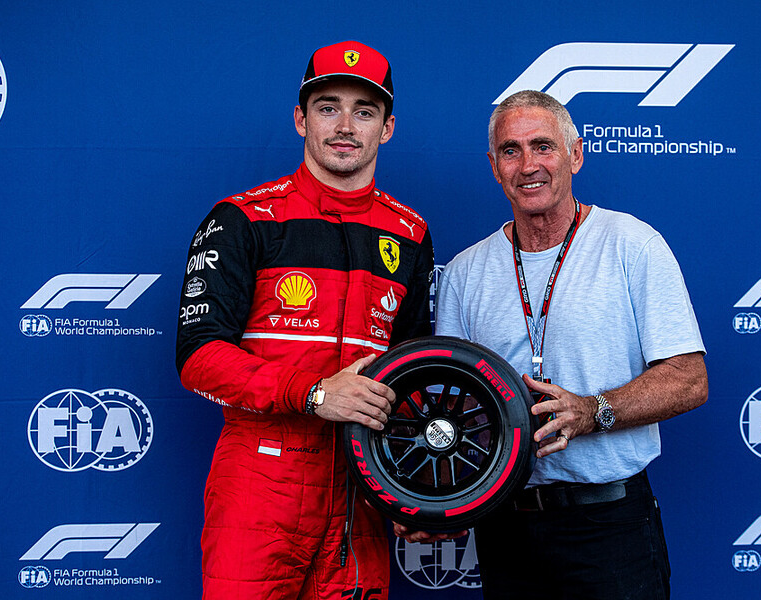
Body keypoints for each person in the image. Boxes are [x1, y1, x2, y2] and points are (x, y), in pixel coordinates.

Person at [175, 41, 434, 600]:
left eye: (364, 111)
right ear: (301, 119)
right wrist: (315, 394)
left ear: (387, 128)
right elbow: (198, 357)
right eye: (328, 107)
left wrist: (413, 487)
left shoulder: (409, 233)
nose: (345, 126)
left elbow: (414, 373)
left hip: (364, 493)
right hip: (259, 486)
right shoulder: (243, 218)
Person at [431, 90, 708, 599]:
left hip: (611, 525)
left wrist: (592, 411)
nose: (528, 165)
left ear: (575, 154)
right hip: (504, 527)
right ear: (494, 167)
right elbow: (454, 406)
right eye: (511, 151)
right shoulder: (465, 273)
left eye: (543, 146)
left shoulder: (632, 244)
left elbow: (689, 380)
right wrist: (433, 500)